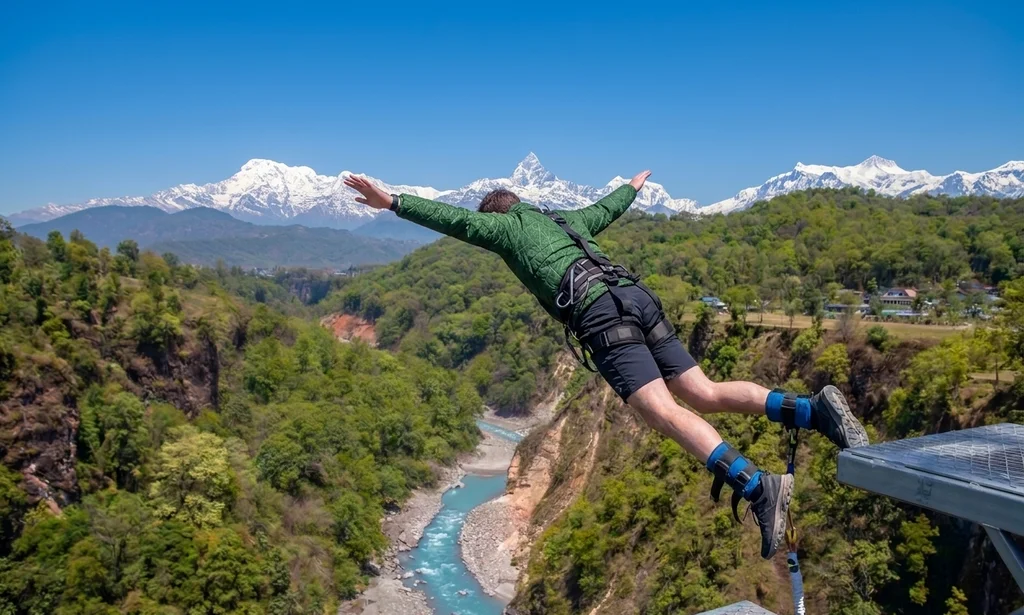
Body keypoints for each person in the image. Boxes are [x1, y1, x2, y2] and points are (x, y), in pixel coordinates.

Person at [343, 170, 868, 559]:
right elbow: (606, 209)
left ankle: (759, 488)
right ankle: (814, 412)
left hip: (599, 316)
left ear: (495, 215)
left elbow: (452, 220)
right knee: (703, 391)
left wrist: (390, 201)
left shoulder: (501, 229)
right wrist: (632, 188)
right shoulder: (563, 219)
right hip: (635, 296)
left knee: (661, 412)